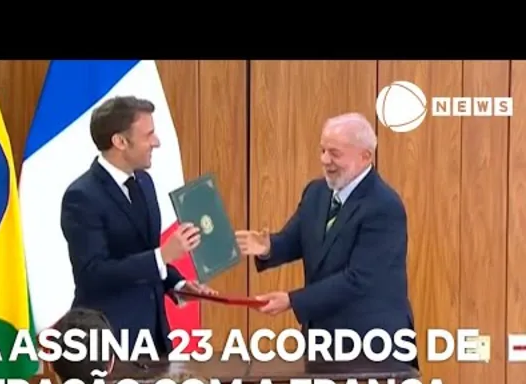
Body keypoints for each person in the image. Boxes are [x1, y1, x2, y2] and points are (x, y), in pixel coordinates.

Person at [236, 113, 416, 365]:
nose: (324, 160)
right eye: (322, 150)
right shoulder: (316, 192)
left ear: (365, 156)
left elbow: (359, 279)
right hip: (322, 339)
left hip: (370, 343)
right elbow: (296, 239)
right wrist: (268, 247)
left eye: (334, 153)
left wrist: (292, 300)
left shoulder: (384, 206)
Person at [60, 96, 214, 355]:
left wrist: (177, 285)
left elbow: (142, 253)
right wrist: (162, 256)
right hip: (108, 341)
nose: (157, 142)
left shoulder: (144, 182)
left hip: (153, 338)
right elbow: (93, 273)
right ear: (120, 141)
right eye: (148, 135)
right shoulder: (82, 196)